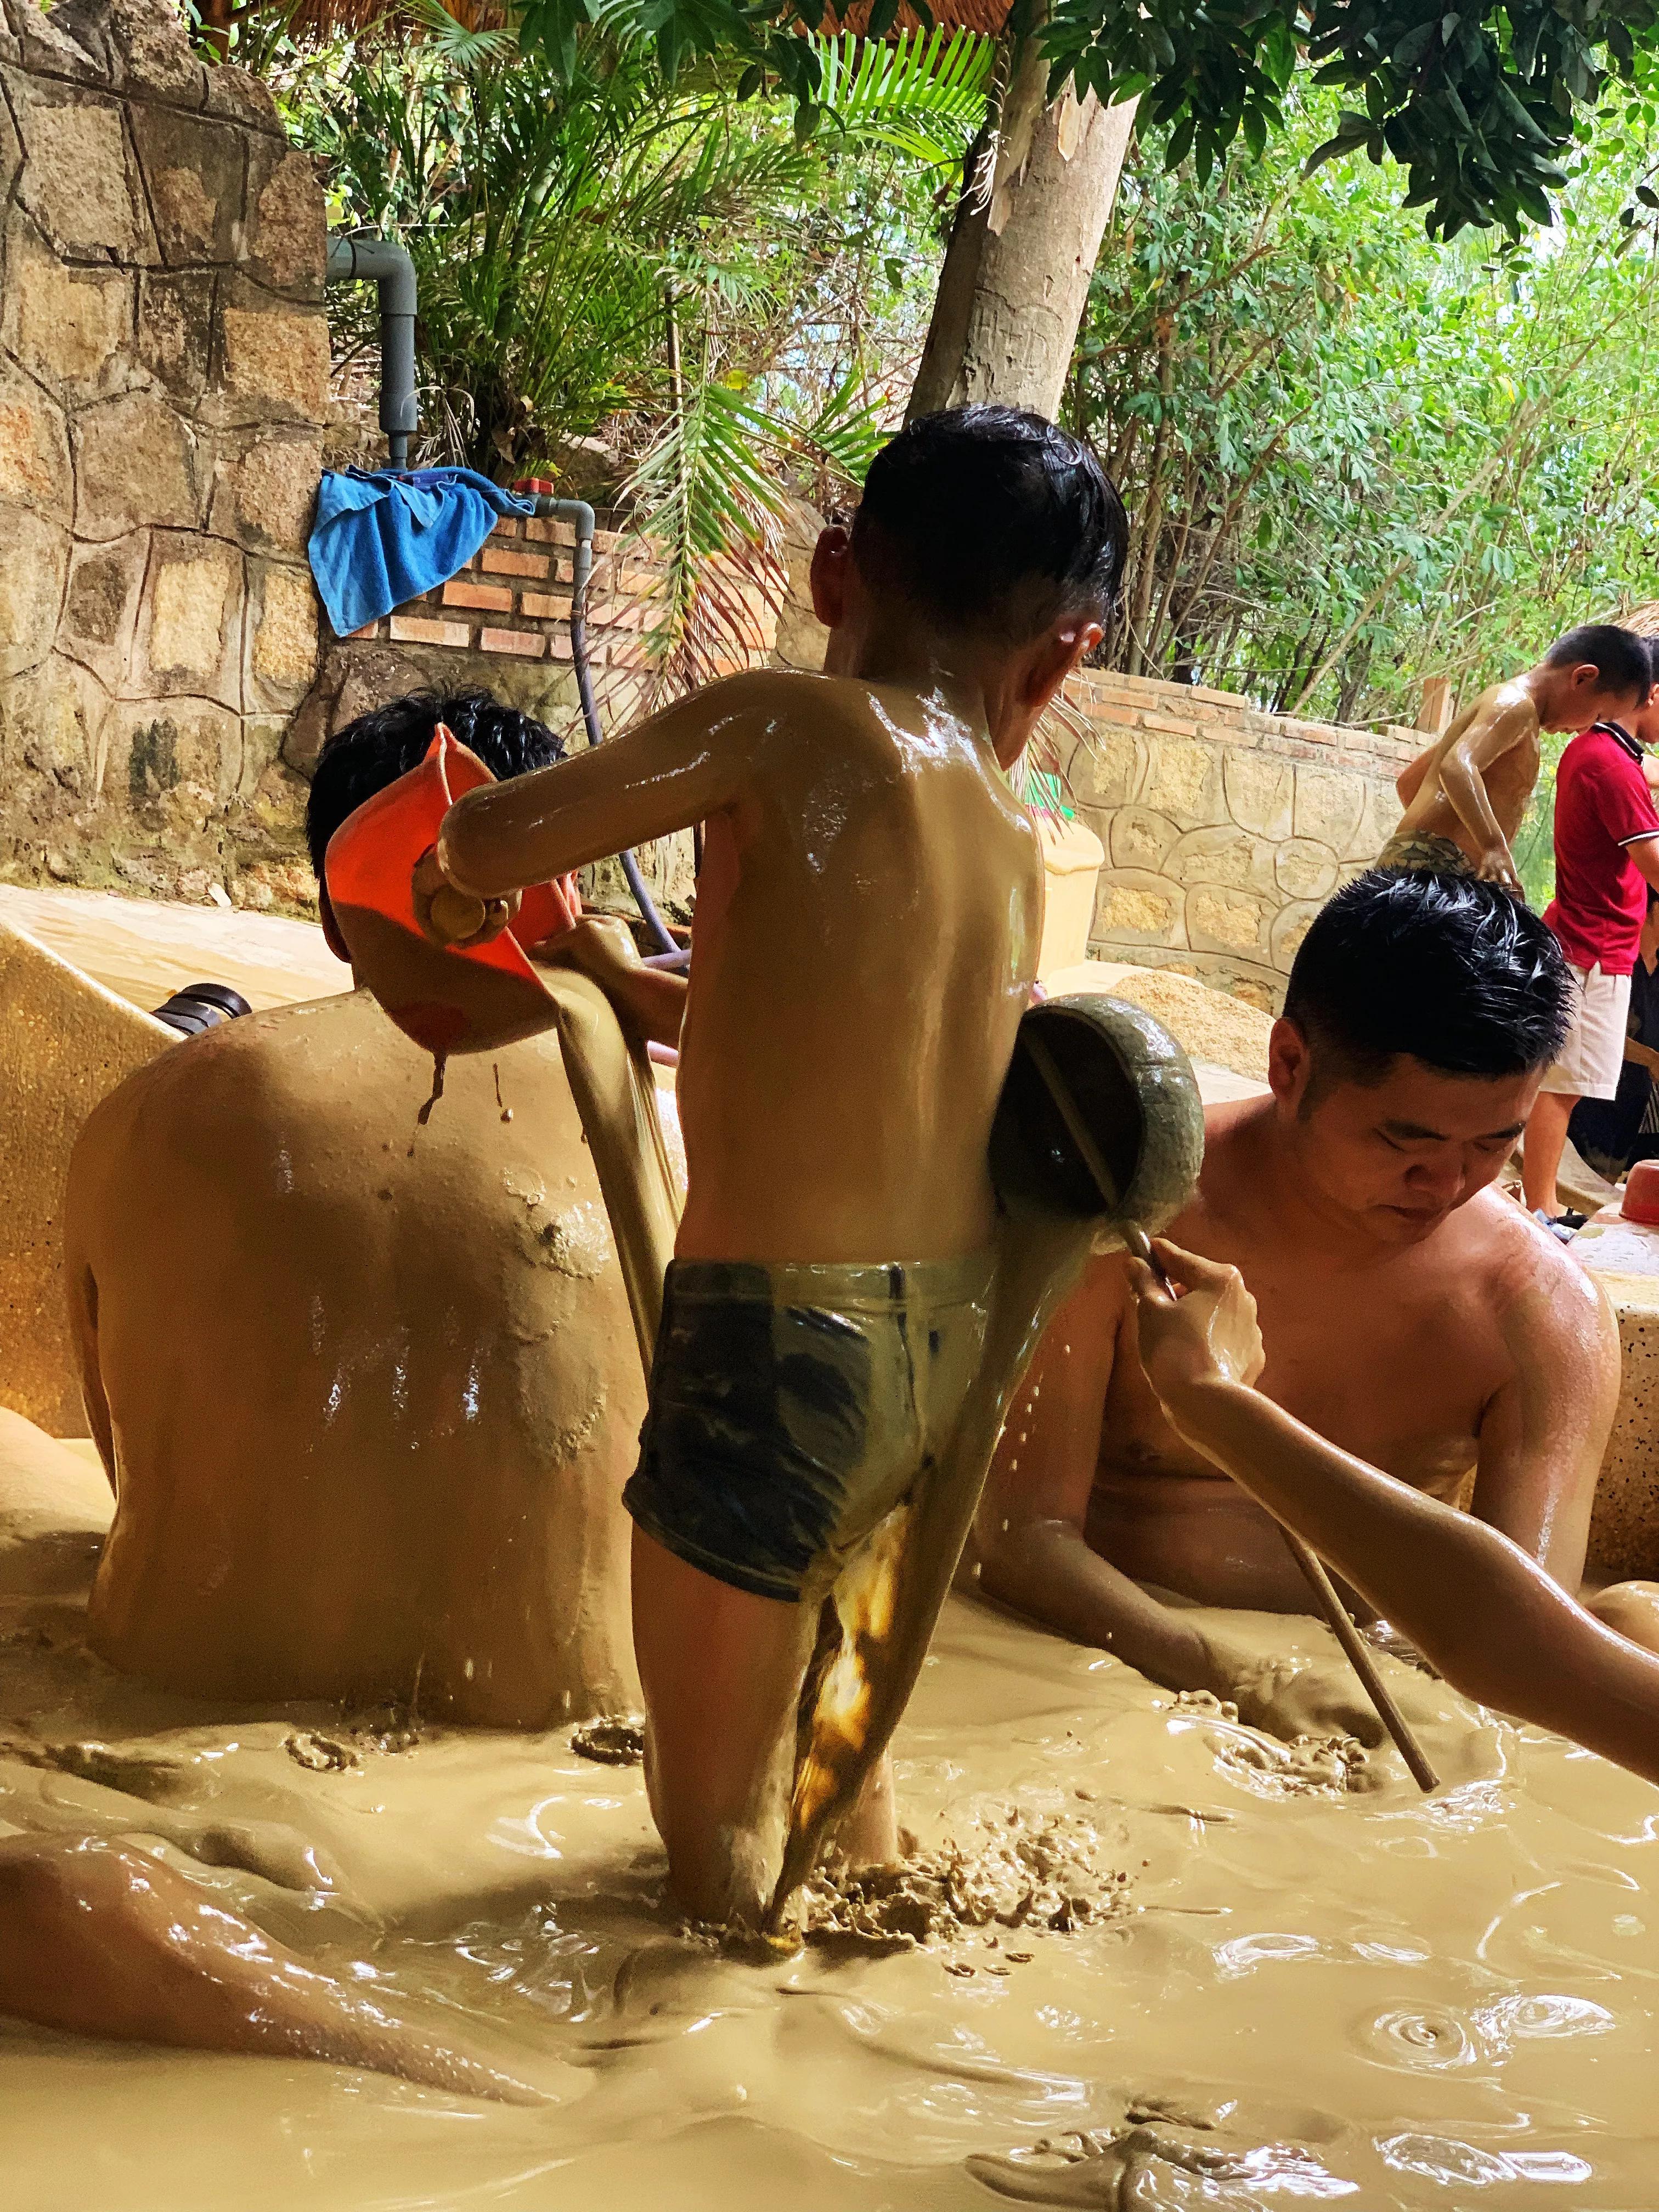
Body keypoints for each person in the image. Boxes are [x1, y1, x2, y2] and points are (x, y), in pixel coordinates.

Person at [399, 406, 1129, 1923]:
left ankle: (707, 2102)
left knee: (715, 1847)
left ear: (828, 571)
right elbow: (829, 1045)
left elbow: (495, 840)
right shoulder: (1017, 831)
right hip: (935, 1352)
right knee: (836, 1782)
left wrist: (450, 882)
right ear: (1065, 658)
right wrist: (611, 965)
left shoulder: (787, 726)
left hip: (780, 1350)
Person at [66, 690, 683, 1728]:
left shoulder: (147, 1116)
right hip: (553, 1768)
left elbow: (127, 1475)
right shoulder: (659, 1132)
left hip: (161, 1722)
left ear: (327, 910)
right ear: (561, 894)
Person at [974, 871, 1620, 1710]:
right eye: (1404, 1140)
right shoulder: (1128, 1214)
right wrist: (1226, 1676)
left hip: (1384, 1688)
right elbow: (1016, 1540)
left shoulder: (1543, 1308)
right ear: (1289, 1064)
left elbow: (1532, 1638)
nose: (1449, 1181)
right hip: (1100, 1663)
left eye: (1494, 1143)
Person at [1127, 1237, 1659, 1791]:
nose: (1443, 1181)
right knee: (1637, 1614)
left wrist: (1213, 1402)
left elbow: (1508, 1644)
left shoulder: (1538, 1294)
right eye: (1400, 1141)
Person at [1522, 645, 1659, 1223]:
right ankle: (1541, 1210)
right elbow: (1654, 862)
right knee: (1561, 1085)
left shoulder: (1605, 755)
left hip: (1596, 941)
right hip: (1591, 948)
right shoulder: (1609, 763)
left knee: (1563, 1083)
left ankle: (1541, 1205)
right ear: (1653, 695)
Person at [1379, 625, 1650, 892]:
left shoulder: (1515, 715)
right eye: (1599, 716)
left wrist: (1445, 832)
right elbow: (1456, 766)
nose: (1586, 729)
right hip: (1429, 873)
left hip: (1434, 866)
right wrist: (1492, 846)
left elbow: (1410, 782)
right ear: (1582, 678)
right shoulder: (1514, 705)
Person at [1567, 886, 1659, 1184]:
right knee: (1585, 1187)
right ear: (1651, 910)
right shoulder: (1618, 963)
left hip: (1639, 1106)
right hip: (1597, 1100)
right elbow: (1597, 1032)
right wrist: (1651, 1059)